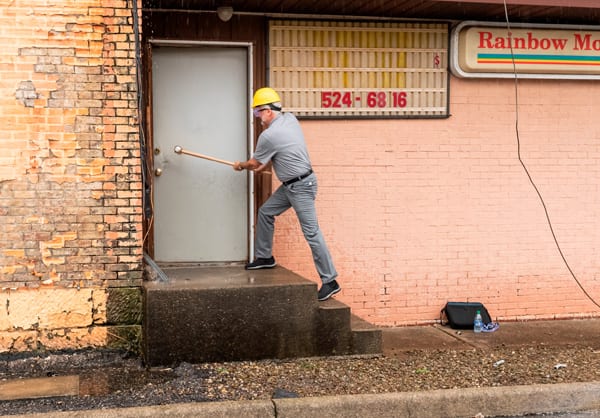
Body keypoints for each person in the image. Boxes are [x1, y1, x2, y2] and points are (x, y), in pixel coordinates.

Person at [233, 87, 340, 301]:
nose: (257, 118)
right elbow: (282, 151)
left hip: (301, 187)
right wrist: (265, 164)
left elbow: (254, 163)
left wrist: (240, 165)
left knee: (312, 233)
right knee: (265, 212)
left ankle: (330, 280)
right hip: (292, 185)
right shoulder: (290, 119)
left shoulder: (269, 135)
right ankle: (265, 257)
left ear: (268, 111)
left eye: (258, 112)